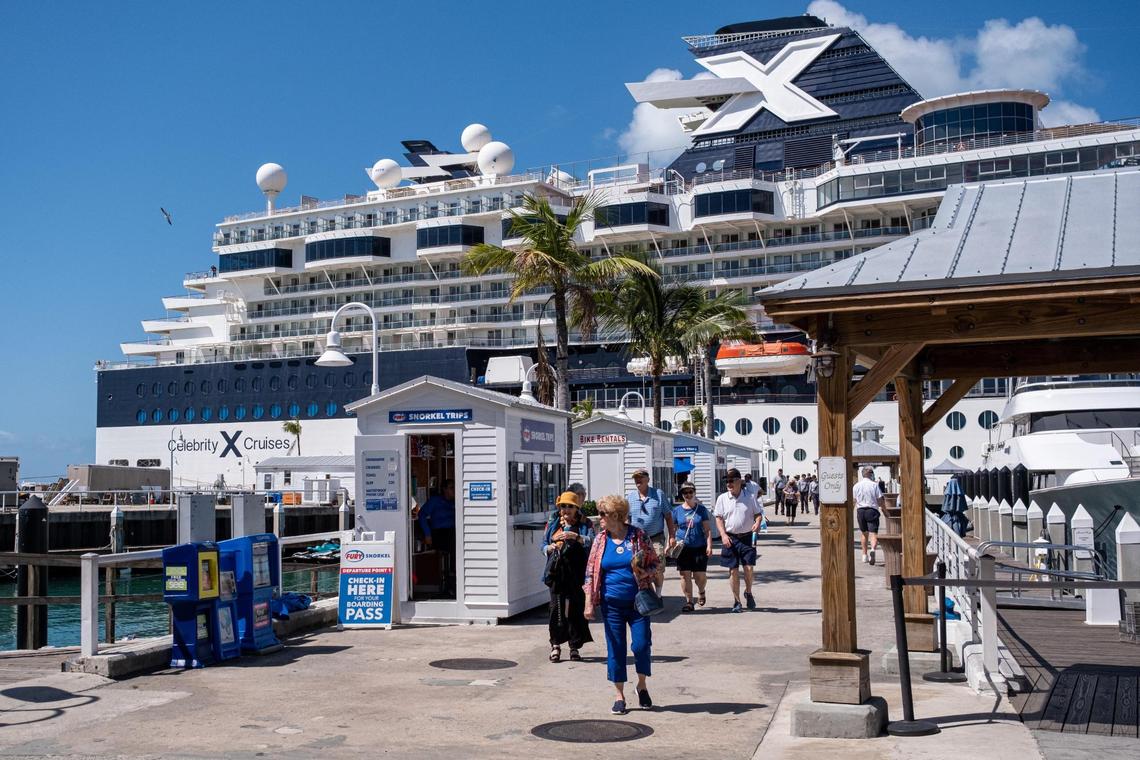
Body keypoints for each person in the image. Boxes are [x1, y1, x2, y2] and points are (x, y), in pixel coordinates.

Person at [583, 494, 660, 715]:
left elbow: (656, 563)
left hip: (638, 603)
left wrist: (647, 572)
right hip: (611, 605)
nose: (600, 519)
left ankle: (642, 685)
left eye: (603, 514)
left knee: (641, 645)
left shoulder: (638, 536)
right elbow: (590, 574)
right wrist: (589, 604)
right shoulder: (600, 540)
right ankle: (619, 695)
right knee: (615, 648)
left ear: (616, 515)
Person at [542, 490, 594, 663]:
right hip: (557, 571)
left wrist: (576, 536)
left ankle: (574, 646)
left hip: (577, 571)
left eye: (570, 506)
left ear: (576, 508)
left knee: (575, 609)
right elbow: (543, 543)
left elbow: (593, 542)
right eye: (563, 506)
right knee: (555, 609)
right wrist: (548, 548)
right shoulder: (553, 521)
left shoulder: (585, 523)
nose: (566, 510)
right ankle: (555, 645)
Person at [713, 468, 764, 612]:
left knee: (748, 568)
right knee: (733, 571)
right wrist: (723, 535)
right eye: (727, 481)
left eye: (731, 481)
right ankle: (737, 601)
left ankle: (748, 592)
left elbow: (758, 514)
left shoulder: (749, 497)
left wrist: (757, 522)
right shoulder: (722, 498)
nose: (728, 484)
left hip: (747, 537)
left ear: (739, 482)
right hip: (730, 538)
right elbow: (718, 518)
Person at [626, 469, 673, 596]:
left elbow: (668, 516)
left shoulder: (658, 494)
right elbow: (627, 519)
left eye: (640, 477)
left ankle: (658, 594)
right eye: (635, 478)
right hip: (637, 539)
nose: (638, 480)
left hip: (656, 538)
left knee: (657, 566)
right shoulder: (630, 497)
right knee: (639, 566)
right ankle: (645, 593)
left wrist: (671, 537)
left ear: (648, 479)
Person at [668, 481, 712, 612]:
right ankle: (689, 602)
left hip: (699, 547)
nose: (688, 494)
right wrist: (669, 544)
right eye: (685, 492)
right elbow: (673, 530)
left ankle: (701, 591)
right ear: (682, 495)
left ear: (694, 493)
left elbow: (707, 530)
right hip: (683, 548)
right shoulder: (676, 511)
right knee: (684, 575)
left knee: (700, 576)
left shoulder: (701, 510)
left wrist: (709, 545)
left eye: (690, 492)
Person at [417, 479, 456, 593]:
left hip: (453, 532)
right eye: (451, 488)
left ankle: (454, 577)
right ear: (444, 489)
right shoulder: (436, 501)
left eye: (454, 487)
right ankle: (450, 579)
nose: (454, 490)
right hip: (439, 533)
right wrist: (427, 534)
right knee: (453, 545)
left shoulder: (457, 501)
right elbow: (422, 514)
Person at [854, 466, 885, 565]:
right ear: (870, 474)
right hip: (872, 510)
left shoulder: (856, 486)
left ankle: (864, 555)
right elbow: (880, 500)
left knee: (864, 533)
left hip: (860, 510)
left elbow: (853, 501)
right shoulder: (874, 485)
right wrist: (885, 510)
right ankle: (872, 549)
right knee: (873, 533)